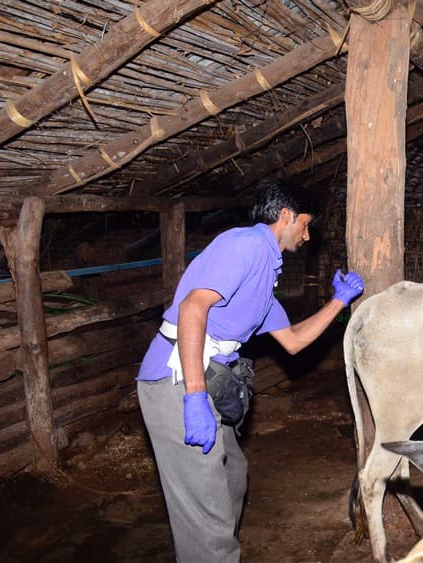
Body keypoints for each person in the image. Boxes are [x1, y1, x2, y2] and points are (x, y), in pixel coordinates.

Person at [136, 180, 364, 562]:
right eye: (305, 225)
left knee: (232, 478)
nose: (308, 236)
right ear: (286, 216)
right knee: (207, 514)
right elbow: (193, 309)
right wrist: (194, 398)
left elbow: (293, 339)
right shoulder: (245, 244)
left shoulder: (264, 276)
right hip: (176, 379)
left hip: (210, 381)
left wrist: (338, 301)